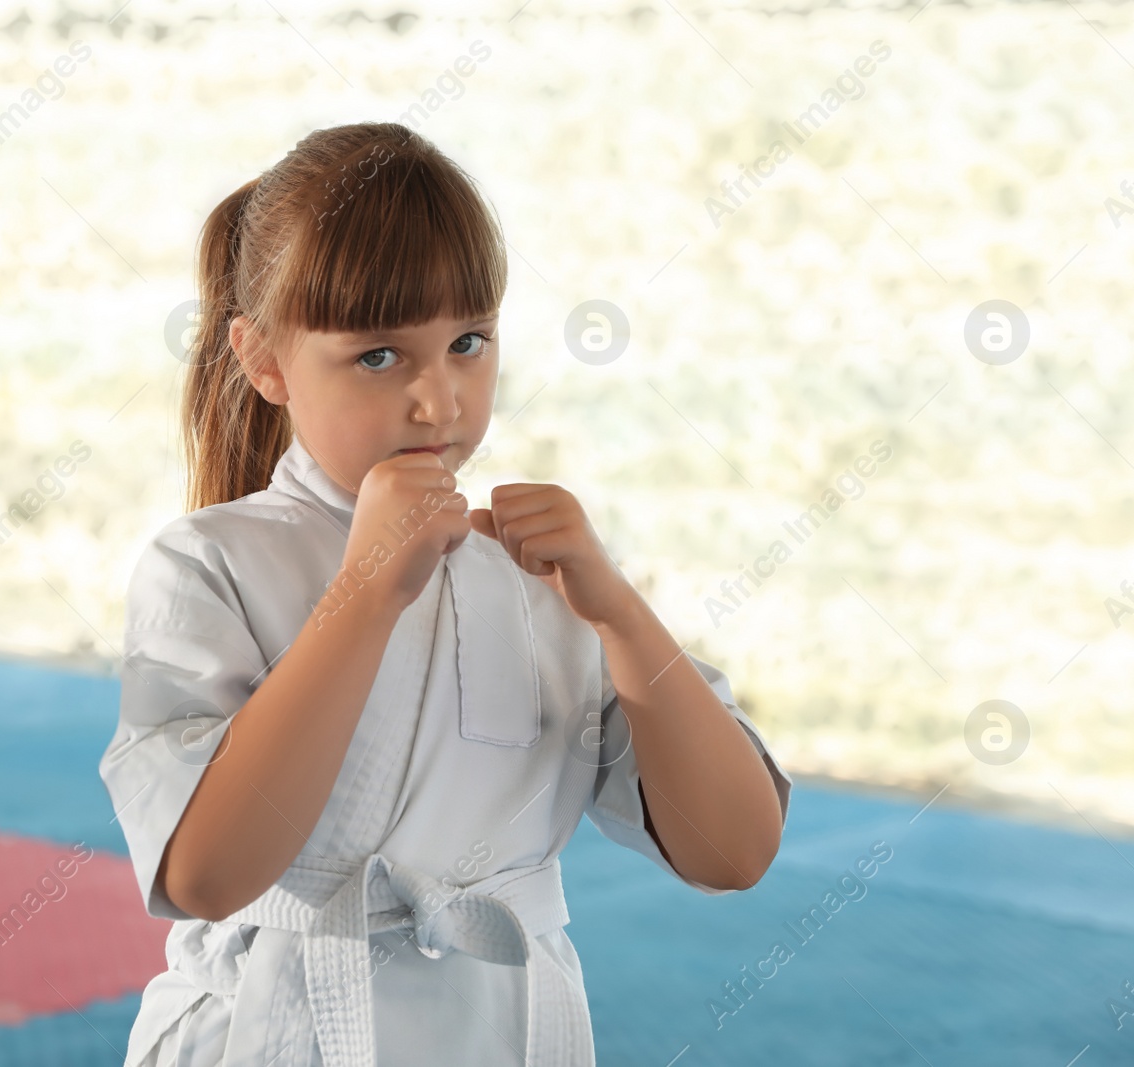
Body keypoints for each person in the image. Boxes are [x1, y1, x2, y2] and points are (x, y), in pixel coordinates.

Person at [99, 120, 792, 1067]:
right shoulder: (206, 564)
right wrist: (365, 595)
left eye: (469, 341)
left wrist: (620, 613)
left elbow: (735, 851)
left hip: (506, 1032)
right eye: (378, 356)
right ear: (263, 361)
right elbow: (207, 873)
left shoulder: (543, 580)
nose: (440, 400)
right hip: (275, 1030)